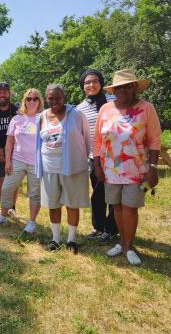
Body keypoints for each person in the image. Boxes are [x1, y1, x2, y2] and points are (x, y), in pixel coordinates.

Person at [93, 70, 161, 265]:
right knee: (117, 207)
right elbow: (98, 139)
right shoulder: (105, 109)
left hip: (137, 169)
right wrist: (97, 164)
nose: (122, 90)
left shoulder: (146, 108)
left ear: (134, 88)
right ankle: (122, 242)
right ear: (113, 90)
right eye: (118, 87)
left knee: (130, 207)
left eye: (127, 86)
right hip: (110, 169)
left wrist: (153, 168)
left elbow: (155, 140)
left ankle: (128, 246)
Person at [36, 84, 90, 253]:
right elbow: (38, 142)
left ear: (63, 97)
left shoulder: (76, 114)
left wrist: (84, 159)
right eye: (50, 98)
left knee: (72, 204)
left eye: (57, 97)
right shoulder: (41, 117)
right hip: (49, 167)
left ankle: (71, 240)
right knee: (53, 204)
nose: (54, 101)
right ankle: (56, 239)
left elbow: (87, 139)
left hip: (72, 167)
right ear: (46, 98)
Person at [0, 88, 43, 235]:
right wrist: (8, 162)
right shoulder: (17, 119)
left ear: (39, 101)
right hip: (17, 160)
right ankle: (3, 216)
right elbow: (9, 142)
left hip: (36, 163)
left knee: (34, 194)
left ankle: (31, 222)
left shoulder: (43, 118)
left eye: (35, 99)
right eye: (28, 99)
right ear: (24, 101)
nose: (31, 101)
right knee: (6, 188)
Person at [76, 69, 118, 242]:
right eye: (87, 82)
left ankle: (112, 228)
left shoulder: (114, 101)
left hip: (117, 157)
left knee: (115, 194)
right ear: (82, 86)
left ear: (101, 83)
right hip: (95, 158)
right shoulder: (80, 109)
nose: (91, 85)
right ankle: (99, 227)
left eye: (94, 81)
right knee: (98, 195)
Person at [0, 82, 19, 210]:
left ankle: (12, 208)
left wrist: (7, 150)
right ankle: (4, 208)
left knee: (13, 182)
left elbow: (21, 133)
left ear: (9, 94)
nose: (2, 94)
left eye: (4, 91)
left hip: (14, 151)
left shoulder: (16, 110)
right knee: (0, 181)